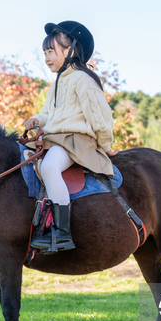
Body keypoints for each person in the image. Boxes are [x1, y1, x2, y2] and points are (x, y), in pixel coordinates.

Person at [24, 21, 116, 255]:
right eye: (44, 52)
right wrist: (36, 120)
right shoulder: (58, 82)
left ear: (71, 51)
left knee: (51, 166)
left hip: (76, 141)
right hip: (57, 138)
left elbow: (99, 116)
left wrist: (105, 146)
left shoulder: (84, 79)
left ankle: (62, 232)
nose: (46, 57)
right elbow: (48, 114)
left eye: (51, 51)